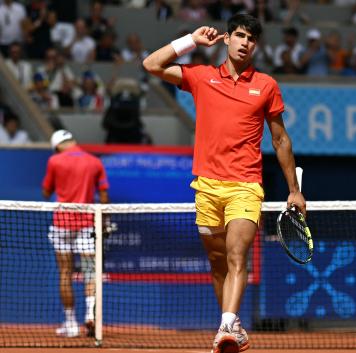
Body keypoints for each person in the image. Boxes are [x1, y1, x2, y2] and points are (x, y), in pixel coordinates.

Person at [142, 13, 305, 353]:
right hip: (207, 186)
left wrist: (294, 190)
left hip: (245, 185)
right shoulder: (201, 77)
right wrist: (191, 41)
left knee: (236, 256)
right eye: (241, 36)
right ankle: (230, 324)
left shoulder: (266, 85)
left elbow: (281, 141)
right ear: (227, 38)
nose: (246, 43)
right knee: (217, 264)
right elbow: (151, 64)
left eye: (252, 39)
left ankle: (226, 326)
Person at [42, 129, 109, 338]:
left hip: (61, 224)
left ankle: (70, 323)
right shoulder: (94, 162)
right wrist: (104, 221)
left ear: (57, 146)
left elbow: (46, 192)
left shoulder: (55, 161)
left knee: (65, 272)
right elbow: (104, 195)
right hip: (88, 223)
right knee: (90, 272)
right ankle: (90, 315)